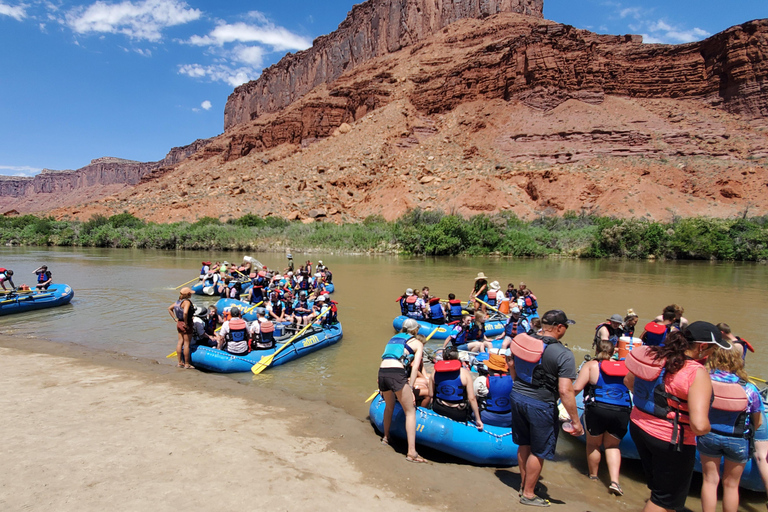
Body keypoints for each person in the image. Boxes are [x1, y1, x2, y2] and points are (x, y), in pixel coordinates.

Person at [623, 321, 725, 512]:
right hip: (670, 440)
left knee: (663, 494)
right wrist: (712, 429)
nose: (712, 354)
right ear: (702, 347)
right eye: (712, 349)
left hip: (639, 426)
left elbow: (628, 381)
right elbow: (699, 425)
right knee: (662, 499)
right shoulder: (696, 372)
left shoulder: (656, 356)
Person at [507, 309, 582, 507]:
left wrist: (517, 384)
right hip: (541, 404)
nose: (566, 329)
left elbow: (510, 363)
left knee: (524, 443)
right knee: (539, 451)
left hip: (517, 396)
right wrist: (576, 421)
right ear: (559, 327)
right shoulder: (564, 355)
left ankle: (525, 484)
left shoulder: (523, 339)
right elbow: (565, 391)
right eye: (565, 326)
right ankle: (529, 494)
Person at [698, 346, 764, 512]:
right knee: (731, 485)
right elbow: (758, 423)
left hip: (709, 435)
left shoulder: (704, 380)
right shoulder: (749, 389)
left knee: (709, 480)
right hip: (738, 440)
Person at [572, 340, 632, 496]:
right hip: (621, 411)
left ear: (596, 349)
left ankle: (593, 477)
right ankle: (614, 482)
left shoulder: (591, 365)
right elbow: (633, 389)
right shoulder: (625, 367)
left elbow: (577, 388)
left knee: (593, 444)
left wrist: (564, 401)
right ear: (615, 352)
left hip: (598, 409)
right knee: (613, 446)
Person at [378, 318, 427, 463]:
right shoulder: (417, 343)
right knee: (410, 411)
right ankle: (412, 452)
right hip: (395, 372)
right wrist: (410, 388)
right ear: (415, 330)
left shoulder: (392, 338)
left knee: (389, 405)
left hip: (382, 372)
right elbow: (415, 368)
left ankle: (386, 437)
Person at [430, 345, 484, 429]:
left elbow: (430, 394)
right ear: (457, 357)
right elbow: (472, 398)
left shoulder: (435, 372)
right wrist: (478, 419)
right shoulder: (465, 373)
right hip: (458, 412)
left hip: (439, 407)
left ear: (443, 357)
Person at [473, 353, 513, 427]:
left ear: (489, 367)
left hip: (489, 416)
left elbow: (473, 398)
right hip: (509, 417)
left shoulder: (482, 380)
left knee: (471, 410)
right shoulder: (512, 380)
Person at [168, 287, 194, 369]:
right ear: (188, 294)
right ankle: (187, 364)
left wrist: (175, 318)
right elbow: (185, 312)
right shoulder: (186, 302)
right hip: (186, 323)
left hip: (179, 323)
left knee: (180, 342)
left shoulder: (178, 301)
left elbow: (169, 308)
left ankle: (179, 362)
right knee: (186, 344)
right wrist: (186, 323)